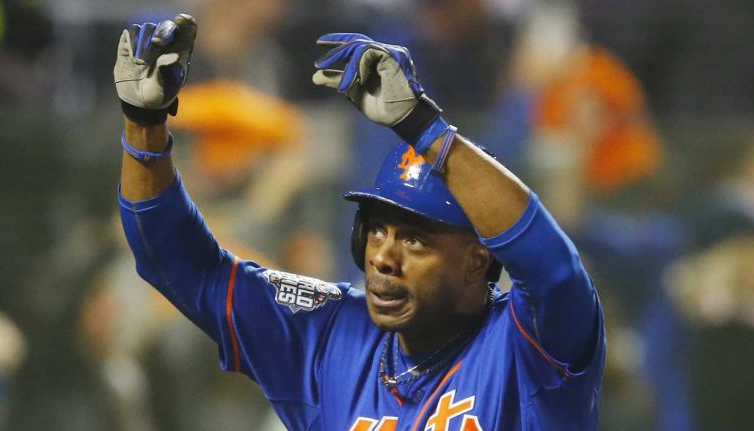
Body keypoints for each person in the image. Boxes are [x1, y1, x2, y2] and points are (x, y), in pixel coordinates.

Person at [114, 14, 605, 430]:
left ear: (478, 260)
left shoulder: (531, 345)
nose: (384, 257)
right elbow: (183, 266)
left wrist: (426, 131)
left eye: (415, 238)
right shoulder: (329, 332)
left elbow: (555, 270)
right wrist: (143, 126)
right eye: (377, 229)